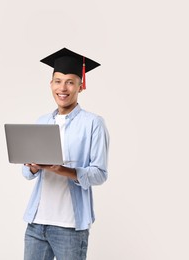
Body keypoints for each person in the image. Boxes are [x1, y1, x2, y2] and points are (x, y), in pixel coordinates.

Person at [22, 47, 110, 260]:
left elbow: (100, 174)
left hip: (69, 227)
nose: (63, 87)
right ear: (51, 84)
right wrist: (32, 166)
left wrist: (64, 170)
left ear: (81, 86)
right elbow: (26, 175)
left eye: (70, 81)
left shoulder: (93, 124)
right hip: (36, 223)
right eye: (58, 81)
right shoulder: (42, 121)